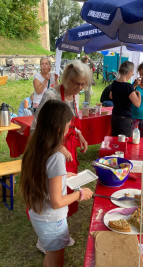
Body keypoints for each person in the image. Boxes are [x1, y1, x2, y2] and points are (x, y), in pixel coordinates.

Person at [20, 100, 93, 267]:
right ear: (59, 129)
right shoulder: (57, 156)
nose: (68, 132)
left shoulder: (35, 147)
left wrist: (62, 176)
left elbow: (42, 175)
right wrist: (80, 194)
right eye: (68, 128)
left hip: (39, 215)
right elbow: (57, 202)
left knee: (51, 256)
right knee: (56, 260)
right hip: (52, 220)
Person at [31, 59, 92, 217]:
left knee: (69, 183)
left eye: (83, 84)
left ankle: (63, 218)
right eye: (76, 83)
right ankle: (54, 220)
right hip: (52, 148)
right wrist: (56, 146)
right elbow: (36, 129)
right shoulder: (52, 95)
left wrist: (80, 134)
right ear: (66, 79)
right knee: (55, 188)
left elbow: (72, 122)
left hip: (69, 146)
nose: (79, 88)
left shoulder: (75, 96)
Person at [110, 61, 141, 137]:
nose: (131, 75)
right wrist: (139, 94)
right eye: (132, 73)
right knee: (124, 144)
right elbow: (137, 104)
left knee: (116, 142)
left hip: (115, 117)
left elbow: (111, 96)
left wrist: (132, 88)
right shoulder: (128, 86)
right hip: (124, 120)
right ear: (129, 72)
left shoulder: (114, 83)